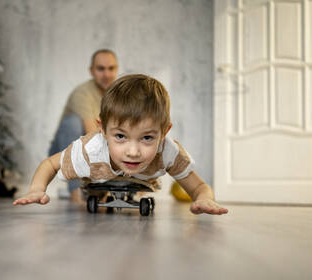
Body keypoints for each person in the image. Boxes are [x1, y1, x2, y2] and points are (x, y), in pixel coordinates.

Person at [15, 74, 228, 215]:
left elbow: (199, 186)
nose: (133, 152)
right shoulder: (90, 150)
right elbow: (50, 164)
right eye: (120, 136)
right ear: (103, 130)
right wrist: (36, 189)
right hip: (98, 175)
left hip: (140, 180)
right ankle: (98, 194)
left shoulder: (168, 151)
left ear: (164, 133)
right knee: (94, 191)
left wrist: (204, 198)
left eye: (147, 138)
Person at [48, 49, 118, 202]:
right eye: (101, 69)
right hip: (64, 150)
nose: (106, 74)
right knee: (72, 123)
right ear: (91, 71)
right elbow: (92, 134)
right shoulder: (82, 93)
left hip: (95, 151)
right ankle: (75, 192)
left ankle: (100, 191)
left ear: (116, 69)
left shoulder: (117, 95)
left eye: (111, 68)